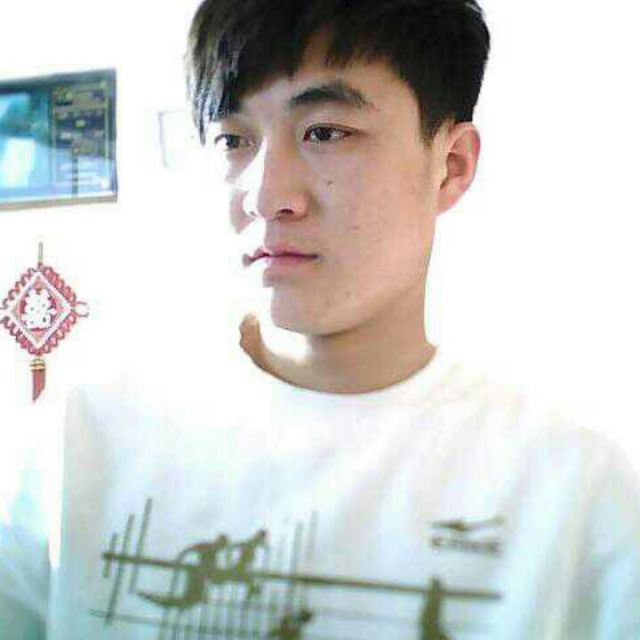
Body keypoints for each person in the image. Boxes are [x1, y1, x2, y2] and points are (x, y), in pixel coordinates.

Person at [3, 0, 640, 638]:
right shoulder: (83, 441)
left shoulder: (572, 494)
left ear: (451, 165)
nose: (265, 196)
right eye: (233, 140)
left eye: (326, 133)